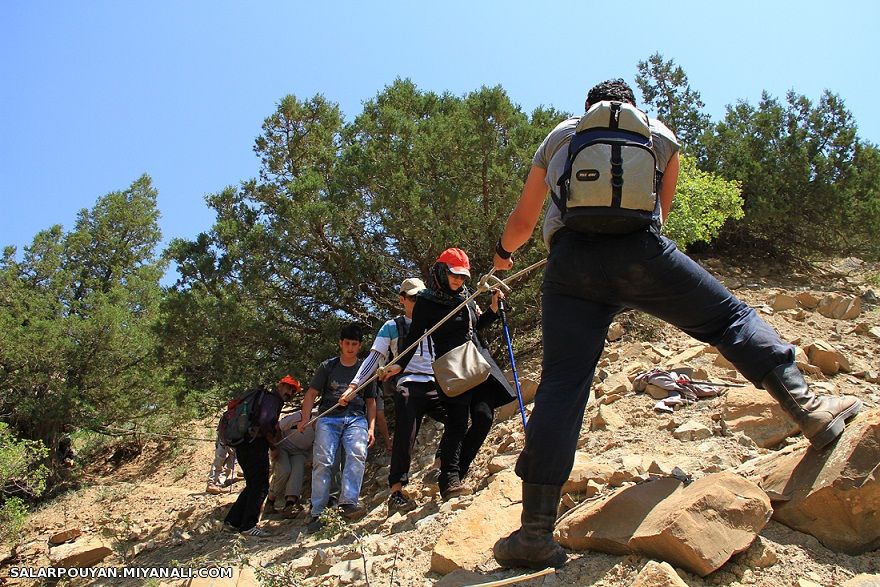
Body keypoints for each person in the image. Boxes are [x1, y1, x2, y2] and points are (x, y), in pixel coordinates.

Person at [490, 78, 863, 570]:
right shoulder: (659, 136)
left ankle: (535, 533)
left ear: (589, 107)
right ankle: (809, 409)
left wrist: (502, 257)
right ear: (632, 108)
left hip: (570, 269)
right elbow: (659, 214)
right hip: (642, 253)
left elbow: (522, 222)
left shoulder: (561, 134)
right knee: (729, 317)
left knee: (562, 385)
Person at [390, 248, 517, 501]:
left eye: (463, 276)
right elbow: (415, 336)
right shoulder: (426, 301)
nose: (459, 280)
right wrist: (399, 365)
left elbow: (476, 329)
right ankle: (449, 482)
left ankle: (458, 470)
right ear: (441, 271)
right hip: (451, 367)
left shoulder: (467, 295)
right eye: (454, 275)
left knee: (483, 416)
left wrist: (492, 309)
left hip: (476, 361)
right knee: (458, 423)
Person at [347, 277, 446, 513]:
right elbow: (373, 358)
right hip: (407, 384)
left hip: (436, 382)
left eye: (421, 297)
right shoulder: (391, 326)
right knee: (405, 436)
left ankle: (440, 466)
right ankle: (397, 491)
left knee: (459, 418)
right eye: (412, 297)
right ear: (402, 299)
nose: (417, 301)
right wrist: (354, 385)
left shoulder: (435, 322)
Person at [298, 323, 377, 533]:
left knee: (357, 454)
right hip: (329, 418)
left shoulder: (365, 369)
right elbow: (311, 394)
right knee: (323, 462)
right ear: (340, 344)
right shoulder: (328, 366)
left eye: (354, 344)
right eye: (347, 343)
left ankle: (348, 502)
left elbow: (371, 402)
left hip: (355, 418)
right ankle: (317, 512)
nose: (350, 347)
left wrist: (371, 428)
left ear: (359, 346)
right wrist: (305, 419)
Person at [224, 375, 299, 537]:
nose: (290, 392)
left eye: (293, 390)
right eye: (288, 387)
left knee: (253, 484)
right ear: (280, 385)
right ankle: (248, 525)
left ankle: (232, 521)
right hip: (254, 445)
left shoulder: (266, 398)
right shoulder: (273, 400)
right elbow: (265, 423)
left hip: (244, 444)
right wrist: (273, 445)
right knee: (260, 485)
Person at [268, 406, 313, 514]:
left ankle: (290, 504)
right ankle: (270, 500)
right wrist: (274, 447)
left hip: (300, 451)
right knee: (284, 470)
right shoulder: (301, 415)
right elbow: (278, 426)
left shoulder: (324, 426)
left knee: (297, 471)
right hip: (282, 447)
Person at [206, 423, 237, 494]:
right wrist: (223, 440)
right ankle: (211, 484)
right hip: (223, 440)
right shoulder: (227, 415)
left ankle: (219, 484)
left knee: (232, 460)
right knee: (219, 460)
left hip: (234, 441)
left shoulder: (240, 414)